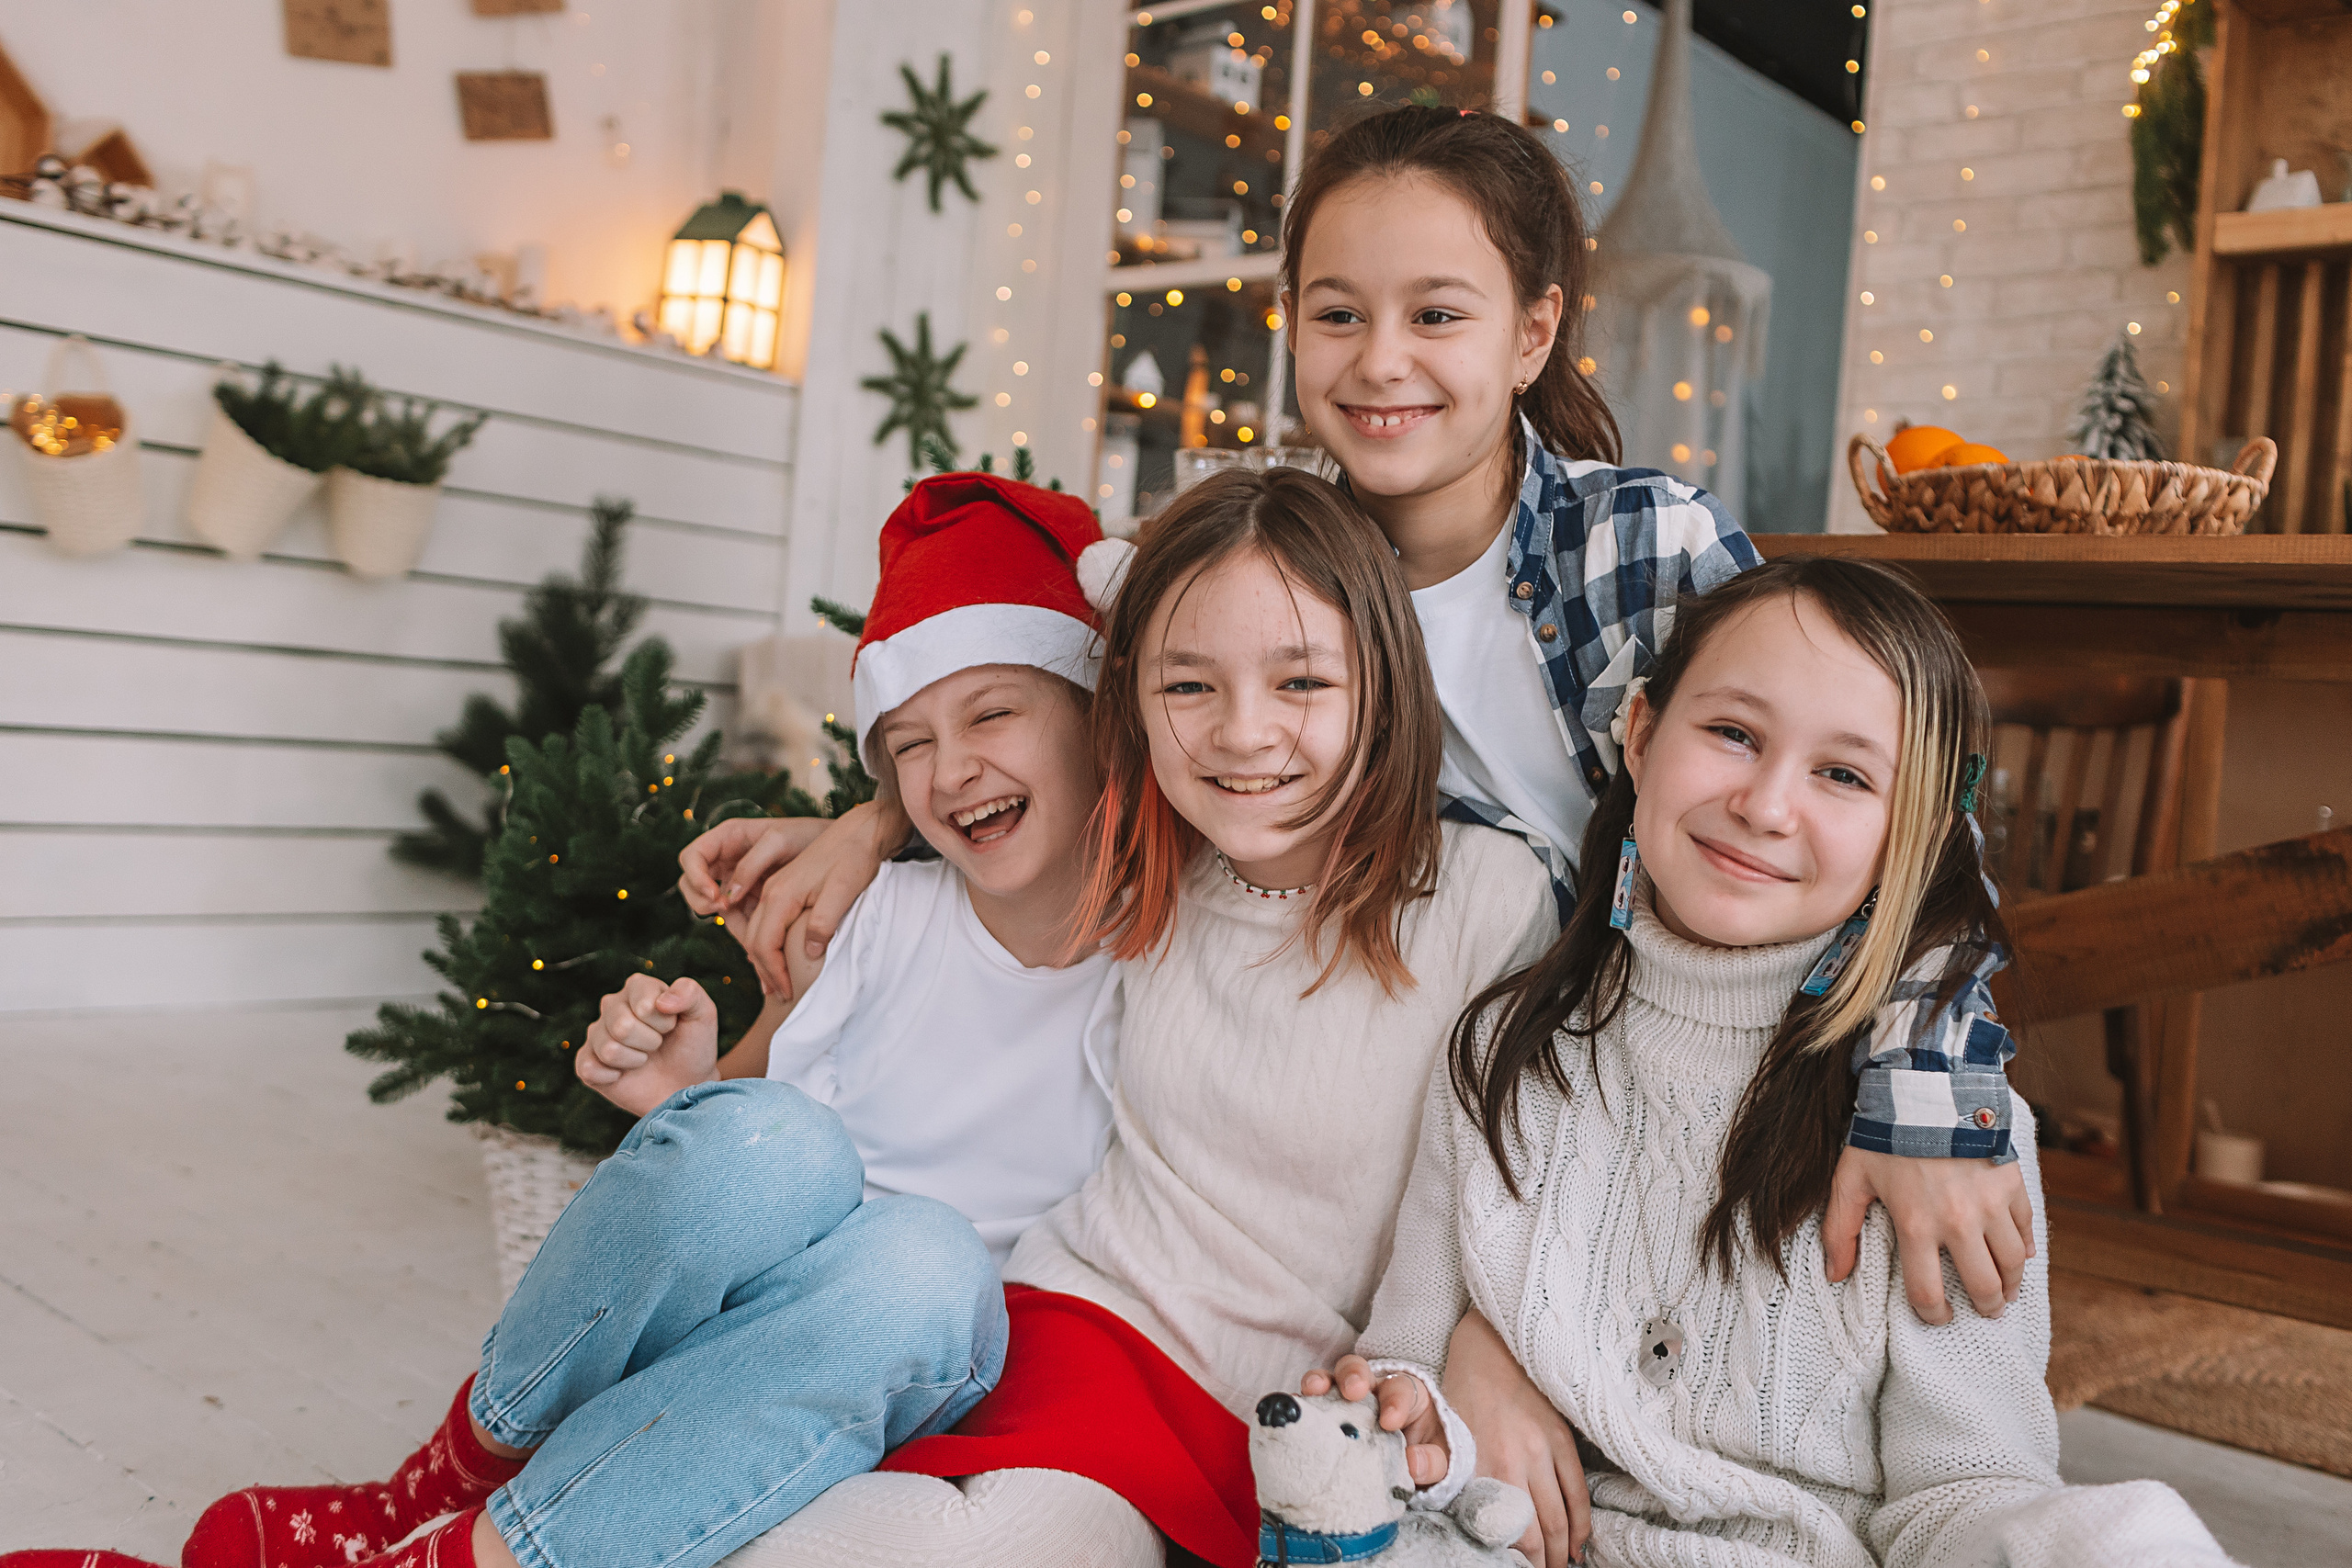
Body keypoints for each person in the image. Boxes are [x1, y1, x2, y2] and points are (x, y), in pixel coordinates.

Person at [686, 107, 2032, 1568]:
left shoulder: (1636, 549)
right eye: (1339, 313)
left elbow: (1897, 816)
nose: (1382, 360)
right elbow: (1053, 683)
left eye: (1437, 313)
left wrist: (1932, 1087)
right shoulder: (1273, 555)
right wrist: (879, 814)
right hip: (1429, 1069)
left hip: (1621, 1079)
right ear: (1293, 327)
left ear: (1533, 333)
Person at [17, 474, 1125, 1568]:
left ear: (1095, 718)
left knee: (924, 1260)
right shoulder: (870, 911)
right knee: (767, 1137)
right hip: (738, 1318)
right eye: (911, 743)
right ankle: (444, 1484)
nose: (952, 769)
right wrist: (684, 1096)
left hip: (895, 1348)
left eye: (992, 714)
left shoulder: (1166, 967)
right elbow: (762, 1118)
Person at [1309, 558, 2234, 1568]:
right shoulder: (1502, 1055)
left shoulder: (1942, 1131)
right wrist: (1424, 1391)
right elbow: (1403, 1365)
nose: (1763, 805)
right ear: (1643, 733)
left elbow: (1965, 1485)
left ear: (1913, 834)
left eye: (1843, 775)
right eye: (1732, 735)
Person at [731, 466, 1555, 1568]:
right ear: (1135, 703)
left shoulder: (1488, 897)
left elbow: (1482, 1180)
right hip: (1076, 1324)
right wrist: (870, 824)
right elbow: (997, 776)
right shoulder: (1154, 861)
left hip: (1291, 1407)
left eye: (1301, 681)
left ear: (1383, 686)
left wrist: (1421, 1358)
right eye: (1188, 688)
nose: (1240, 734)